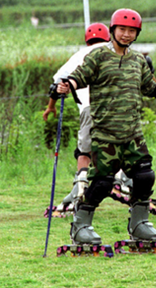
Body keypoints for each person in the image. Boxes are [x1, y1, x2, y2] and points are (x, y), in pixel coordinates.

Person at [56, 8, 156, 247]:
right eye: (122, 30)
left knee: (145, 176)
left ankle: (139, 223)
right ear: (113, 30)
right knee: (101, 183)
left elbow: (152, 88)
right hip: (105, 134)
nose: (127, 35)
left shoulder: (138, 60)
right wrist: (67, 86)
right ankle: (80, 226)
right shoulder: (98, 55)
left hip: (132, 134)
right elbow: (78, 76)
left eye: (132, 31)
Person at [43, 22, 110, 213]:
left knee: (84, 152)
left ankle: (81, 184)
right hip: (115, 107)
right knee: (117, 146)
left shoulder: (78, 56)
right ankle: (122, 177)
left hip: (89, 108)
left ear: (87, 40)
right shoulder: (113, 50)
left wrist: (50, 108)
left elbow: (56, 84)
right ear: (108, 36)